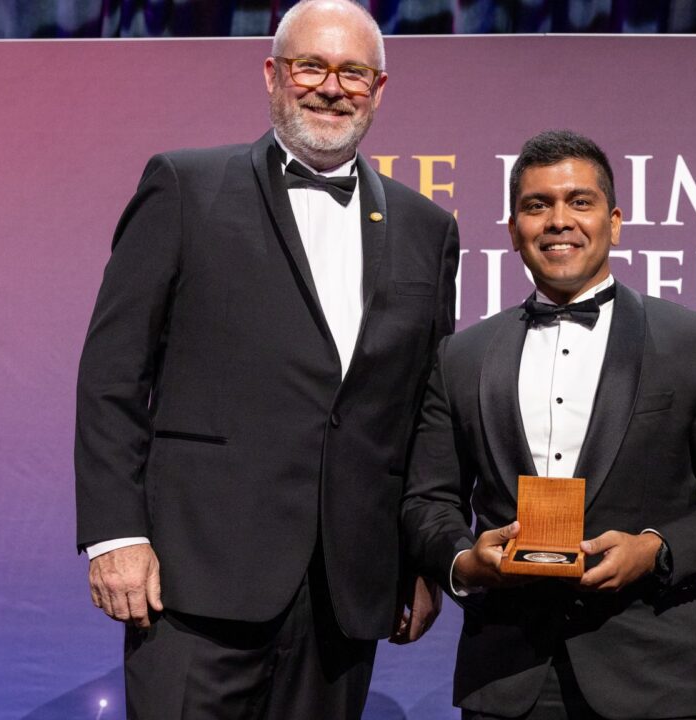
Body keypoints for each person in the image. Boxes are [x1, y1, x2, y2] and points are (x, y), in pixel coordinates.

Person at [74, 1, 458, 716]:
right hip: (193, 580)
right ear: (273, 74)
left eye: (353, 72)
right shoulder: (185, 186)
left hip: (347, 590)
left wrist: (420, 557)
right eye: (311, 66)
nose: (331, 88)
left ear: (379, 89)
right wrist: (115, 535)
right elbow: (113, 376)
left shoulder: (426, 227)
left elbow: (425, 412)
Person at [401, 130, 696, 720]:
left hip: (654, 677)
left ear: (614, 222)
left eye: (579, 202)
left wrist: (654, 549)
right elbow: (427, 500)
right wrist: (464, 563)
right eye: (537, 205)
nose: (559, 220)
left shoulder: (693, 344)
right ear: (513, 231)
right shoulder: (462, 357)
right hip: (505, 677)